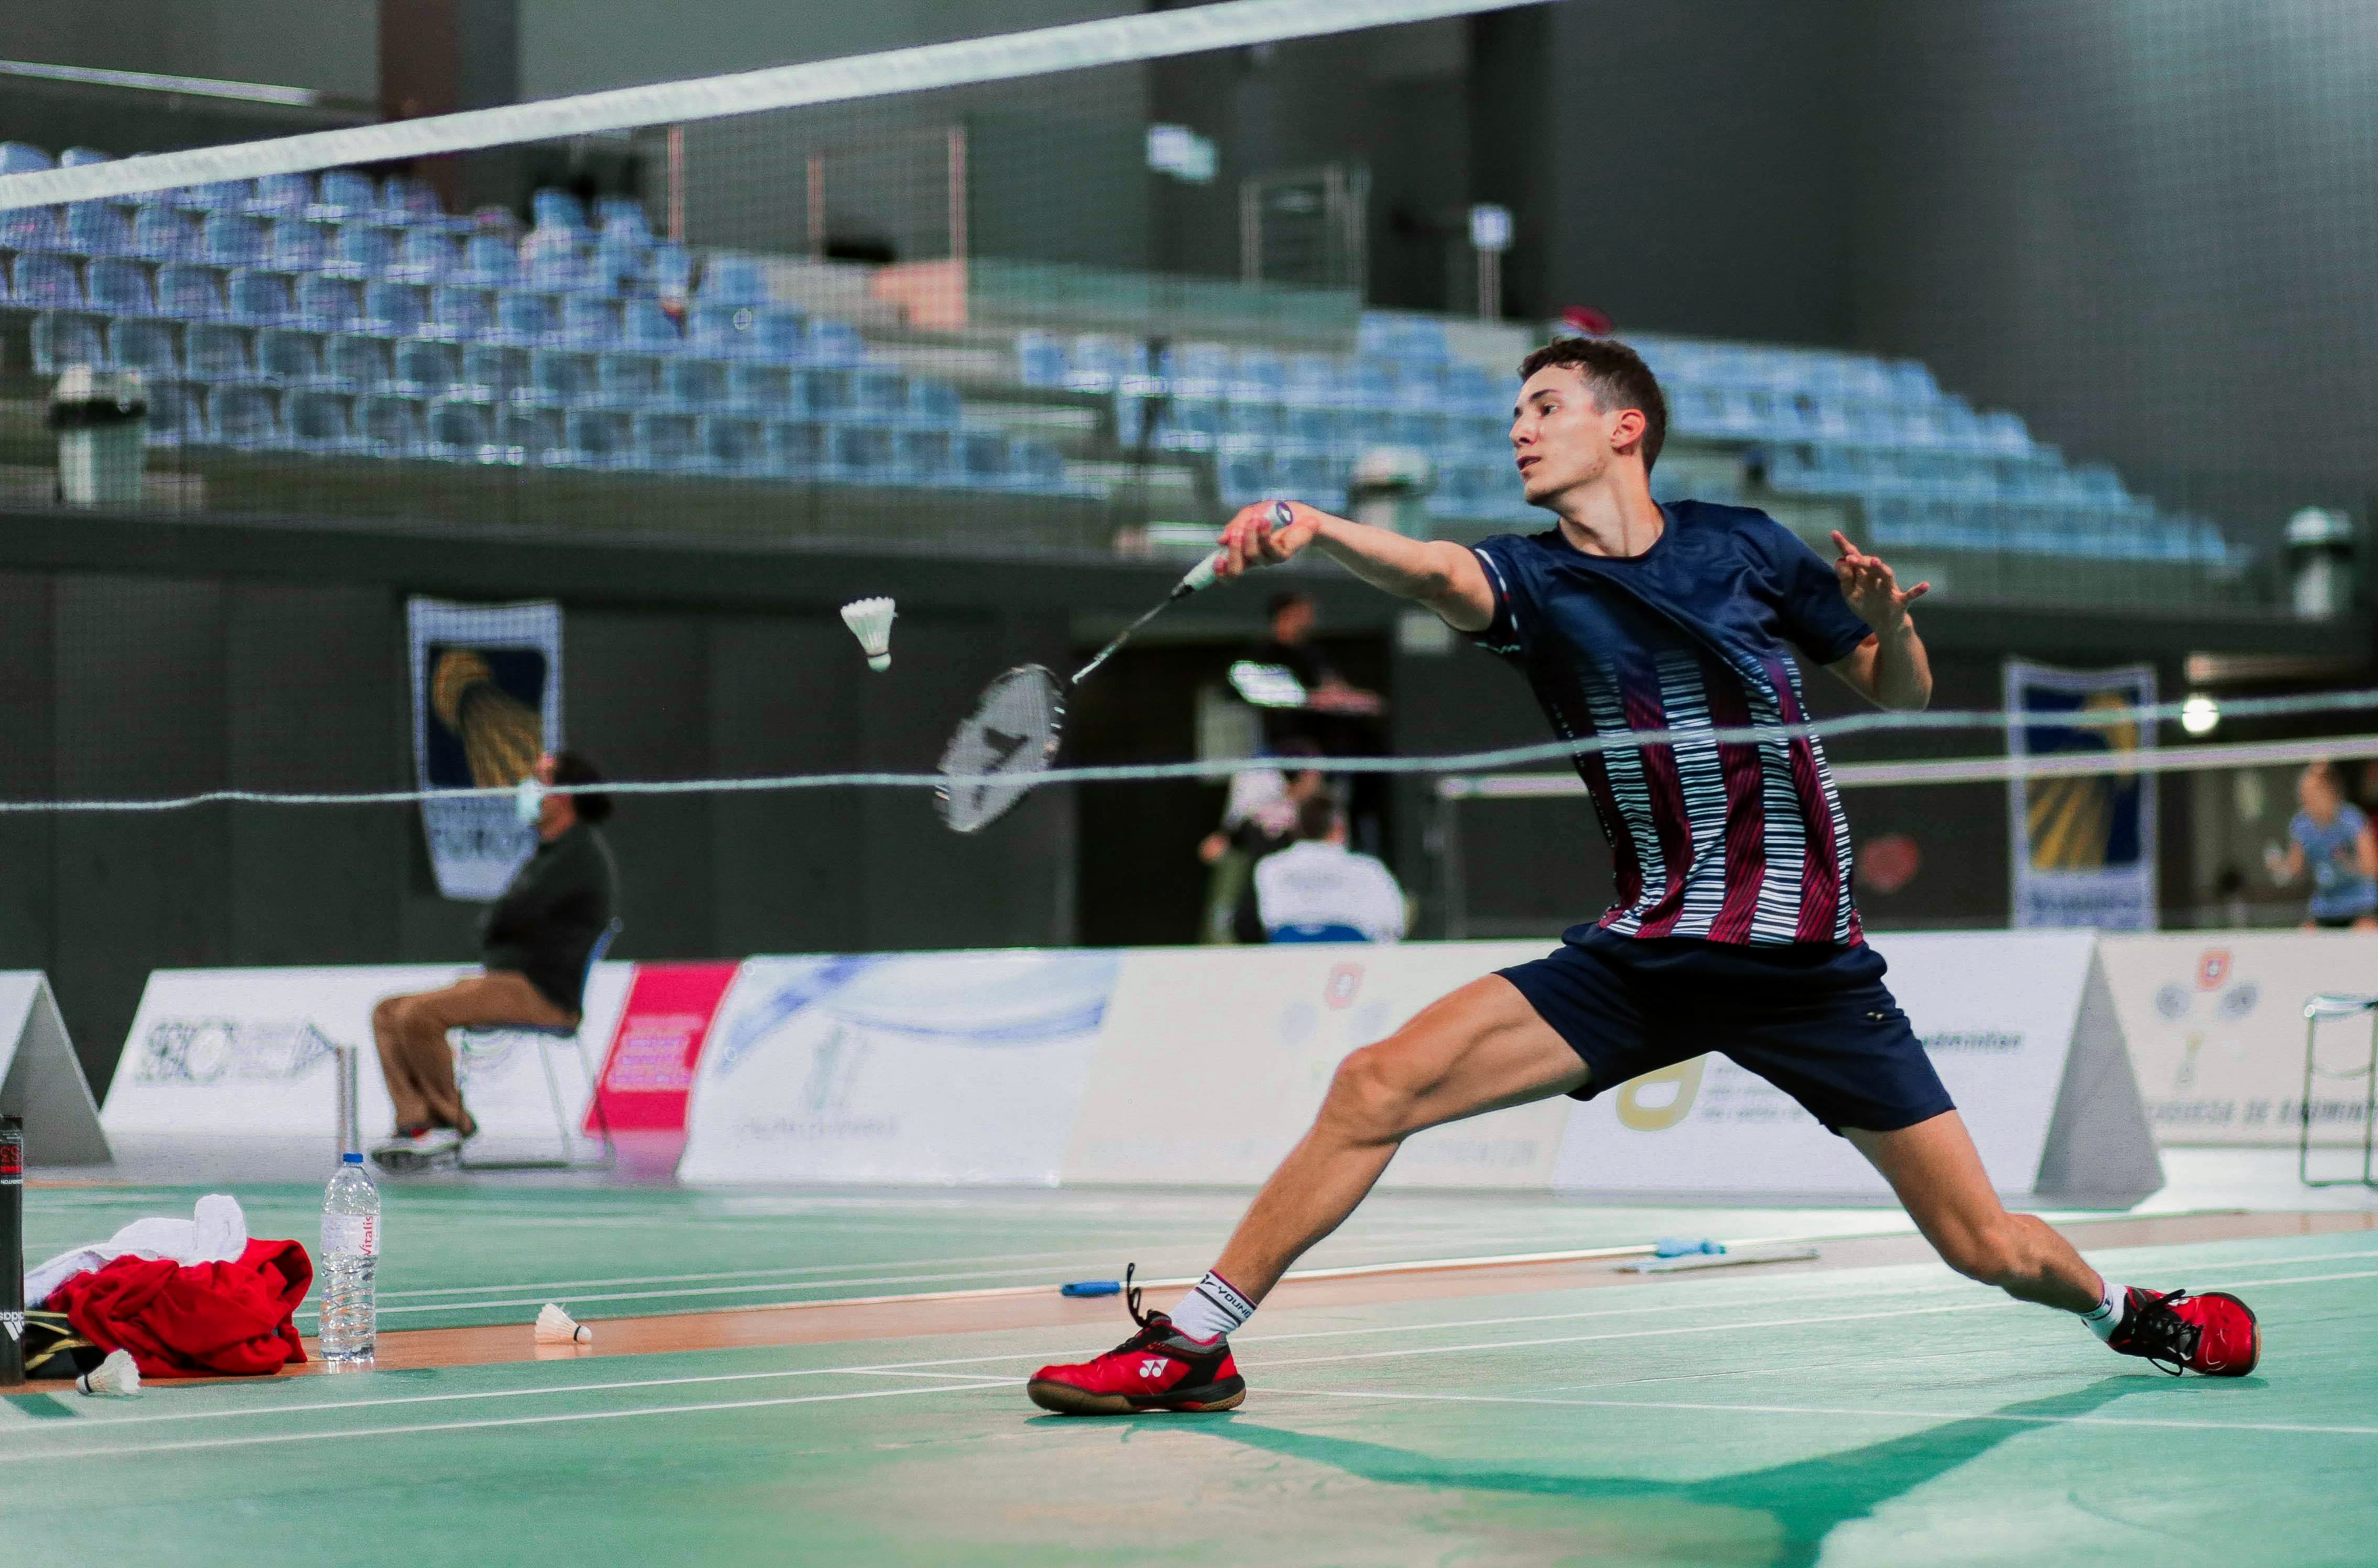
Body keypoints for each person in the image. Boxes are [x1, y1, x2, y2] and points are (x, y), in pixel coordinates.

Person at [1028, 335, 2259, 1417]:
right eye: (1514, 412)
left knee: (1981, 1242)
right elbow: (1434, 571)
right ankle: (1196, 1343)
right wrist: (1317, 526)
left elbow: (1898, 688)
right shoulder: (1532, 580)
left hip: (1809, 971)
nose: (1520, 428)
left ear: (1626, 427)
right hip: (1647, 957)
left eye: (1546, 405)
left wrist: (1893, 621)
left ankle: (2132, 1314)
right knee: (1373, 1082)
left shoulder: (1745, 548)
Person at [369, 750, 618, 1168]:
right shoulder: (549, 853)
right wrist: (499, 926)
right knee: (388, 1012)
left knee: (418, 1016)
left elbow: (510, 916)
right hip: (507, 980)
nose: (527, 789)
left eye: (540, 779)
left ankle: (451, 1124)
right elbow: (505, 920)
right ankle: (416, 1124)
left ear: (565, 796)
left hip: (543, 993)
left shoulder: (578, 857)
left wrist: (499, 925)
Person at [1197, 740, 1327, 942]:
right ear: (1305, 776)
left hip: (1287, 914)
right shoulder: (1287, 818)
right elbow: (1211, 850)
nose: (1319, 779)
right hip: (1266, 912)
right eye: (1315, 773)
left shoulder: (1309, 817)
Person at [1233, 794, 1406, 944]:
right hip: (1351, 964)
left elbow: (1263, 922)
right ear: (1340, 829)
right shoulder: (1368, 869)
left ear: (1295, 829)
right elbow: (1394, 924)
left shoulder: (1269, 868)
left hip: (1290, 961)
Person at [2266, 760, 2378, 930]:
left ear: (2330, 793)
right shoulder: (2301, 826)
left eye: (2312, 794)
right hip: (2325, 909)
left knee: (2366, 932)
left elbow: (2372, 867)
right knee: (2305, 935)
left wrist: (2348, 862)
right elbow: (2294, 869)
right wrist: (2279, 867)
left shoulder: (2352, 820)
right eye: (2304, 795)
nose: (2306, 800)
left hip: (2359, 906)